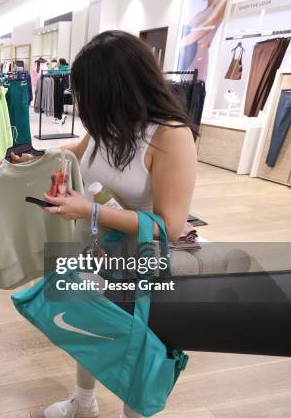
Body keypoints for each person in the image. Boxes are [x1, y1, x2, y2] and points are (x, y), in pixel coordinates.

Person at [11, 30, 197, 418]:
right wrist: (27, 159)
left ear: (118, 88)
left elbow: (170, 225)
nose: (82, 103)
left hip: (141, 266)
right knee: (90, 329)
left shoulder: (171, 136)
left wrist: (91, 212)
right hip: (96, 255)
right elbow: (74, 152)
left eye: (87, 92)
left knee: (135, 344)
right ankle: (84, 402)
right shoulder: (105, 125)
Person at [178, 0, 228, 79]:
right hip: (187, 58)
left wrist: (181, 43)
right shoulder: (198, 14)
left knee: (195, 90)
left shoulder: (223, 1)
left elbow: (207, 26)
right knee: (181, 88)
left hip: (199, 57)